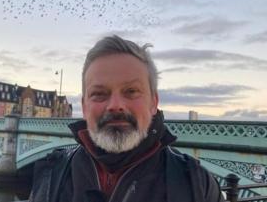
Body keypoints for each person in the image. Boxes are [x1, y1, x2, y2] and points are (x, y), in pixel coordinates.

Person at [29, 35, 224, 202]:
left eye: (131, 91)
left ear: (153, 103)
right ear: (84, 106)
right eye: (99, 93)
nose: (115, 105)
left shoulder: (196, 183)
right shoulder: (51, 173)